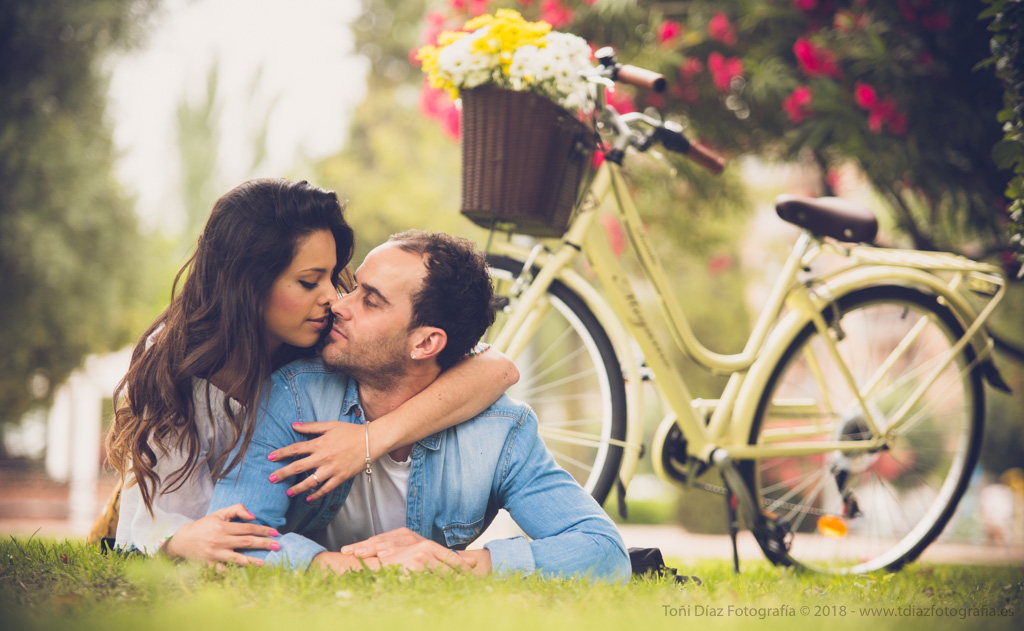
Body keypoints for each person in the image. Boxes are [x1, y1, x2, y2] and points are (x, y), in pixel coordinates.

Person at [105, 179, 518, 565]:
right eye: (308, 282)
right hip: (172, 517)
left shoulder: (331, 344)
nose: (334, 299)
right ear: (249, 284)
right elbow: (143, 522)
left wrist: (369, 441)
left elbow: (496, 369)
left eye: (331, 275)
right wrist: (183, 540)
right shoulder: (180, 363)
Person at [208, 230, 631, 582]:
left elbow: (604, 551)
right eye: (354, 287)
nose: (339, 304)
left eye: (370, 300)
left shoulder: (501, 432)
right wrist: (349, 568)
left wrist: (454, 568)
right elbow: (235, 536)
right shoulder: (293, 395)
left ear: (426, 343)